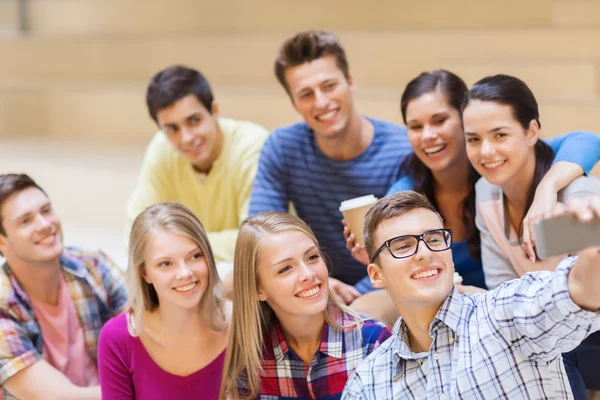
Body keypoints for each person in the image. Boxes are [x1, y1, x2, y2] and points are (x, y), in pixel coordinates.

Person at [345, 70, 600, 324]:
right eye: (416, 126)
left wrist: (548, 188)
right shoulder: (485, 191)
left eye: (439, 120)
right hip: (495, 311)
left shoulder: (511, 174)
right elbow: (506, 292)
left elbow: (585, 141)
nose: (428, 135)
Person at [342, 191, 600, 399]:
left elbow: (574, 292)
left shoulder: (504, 314)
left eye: (434, 239)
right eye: (403, 246)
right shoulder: (368, 383)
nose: (424, 253)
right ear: (376, 275)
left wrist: (592, 254)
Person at [248, 30, 413, 304]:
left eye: (329, 86)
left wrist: (347, 295)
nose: (321, 102)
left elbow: (402, 249)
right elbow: (259, 236)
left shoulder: (401, 151)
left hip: (386, 286)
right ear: (293, 103)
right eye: (306, 94)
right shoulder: (282, 147)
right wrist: (319, 282)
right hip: (312, 282)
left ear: (350, 82)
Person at [463, 74, 600, 395]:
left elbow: (588, 206)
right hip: (540, 333)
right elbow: (502, 290)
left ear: (532, 132)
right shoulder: (486, 194)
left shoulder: (572, 192)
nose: (486, 151)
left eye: (500, 135)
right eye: (473, 139)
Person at [220, 212, 391, 400]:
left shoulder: (373, 342)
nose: (308, 274)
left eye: (312, 257)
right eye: (285, 268)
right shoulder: (250, 363)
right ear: (258, 289)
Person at [0, 173, 127, 400]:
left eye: (46, 210)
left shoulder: (94, 266)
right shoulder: (2, 304)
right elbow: (58, 397)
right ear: (2, 242)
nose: (45, 225)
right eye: (26, 221)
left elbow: (151, 332)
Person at [127, 65, 269, 263]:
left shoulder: (252, 146)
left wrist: (173, 246)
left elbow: (259, 240)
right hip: (190, 270)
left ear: (215, 110)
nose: (186, 138)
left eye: (194, 120)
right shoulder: (161, 147)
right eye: (172, 128)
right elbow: (138, 232)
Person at [98, 202, 229, 399]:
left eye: (195, 256)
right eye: (165, 263)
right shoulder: (117, 339)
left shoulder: (242, 323)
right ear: (145, 273)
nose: (185, 273)